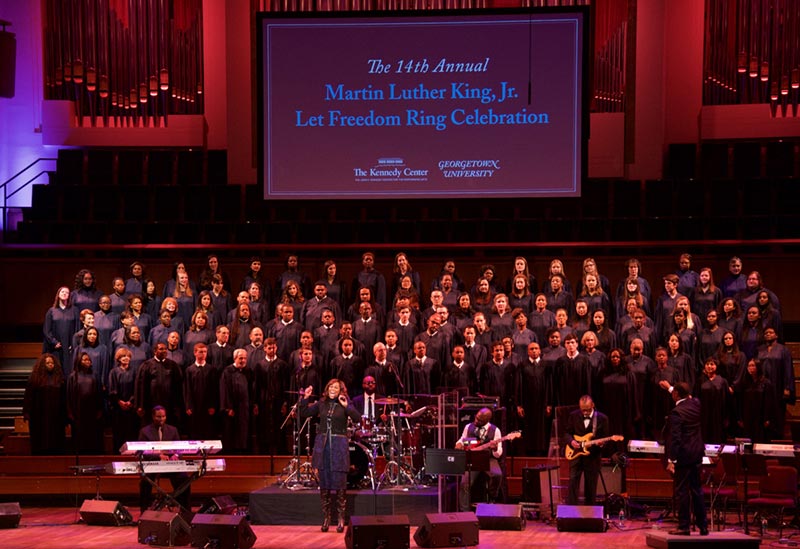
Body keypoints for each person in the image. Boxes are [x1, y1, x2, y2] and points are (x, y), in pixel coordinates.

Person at [300, 378, 361, 533]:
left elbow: (357, 418)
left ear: (341, 390)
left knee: (340, 484)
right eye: (331, 387)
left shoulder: (345, 404)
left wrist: (347, 406)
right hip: (323, 445)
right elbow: (304, 413)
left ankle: (341, 518)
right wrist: (305, 397)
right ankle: (326, 518)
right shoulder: (321, 404)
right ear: (327, 389)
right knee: (324, 484)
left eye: (336, 387)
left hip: (339, 446)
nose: (333, 389)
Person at [665, 382, 708, 536]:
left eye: (673, 392)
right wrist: (672, 388)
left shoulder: (676, 412)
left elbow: (675, 439)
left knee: (682, 492)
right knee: (697, 490)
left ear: (676, 394)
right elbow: (690, 397)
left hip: (683, 456)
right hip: (697, 454)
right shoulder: (696, 405)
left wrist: (671, 460)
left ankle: (684, 526)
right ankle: (703, 526)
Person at [138, 405, 191, 513]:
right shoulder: (145, 431)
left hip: (170, 465)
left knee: (184, 478)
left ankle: (186, 511)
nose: (161, 419)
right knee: (145, 482)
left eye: (163, 416)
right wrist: (158, 456)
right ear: (153, 417)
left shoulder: (173, 430)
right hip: (152, 465)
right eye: (158, 417)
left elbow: (179, 449)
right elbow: (141, 452)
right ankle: (144, 511)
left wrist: (176, 456)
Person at [563, 395, 609, 505]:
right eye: (582, 410)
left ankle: (589, 514)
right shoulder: (573, 416)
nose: (585, 413)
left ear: (593, 405)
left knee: (590, 487)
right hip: (575, 455)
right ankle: (571, 512)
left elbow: (605, 437)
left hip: (592, 457)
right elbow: (567, 433)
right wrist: (572, 442)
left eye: (587, 410)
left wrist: (601, 444)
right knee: (573, 483)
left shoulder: (602, 418)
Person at [456, 407, 504, 511]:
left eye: (479, 420)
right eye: (476, 418)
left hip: (488, 458)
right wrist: (459, 443)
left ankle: (492, 498)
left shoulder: (495, 430)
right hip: (472, 459)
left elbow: (498, 453)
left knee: (497, 475)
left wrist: (495, 448)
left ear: (487, 420)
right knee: (464, 483)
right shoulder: (468, 427)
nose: (476, 421)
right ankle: (464, 511)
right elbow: (462, 439)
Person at [23, 353, 67, 455]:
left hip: (56, 414)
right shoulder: (34, 379)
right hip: (39, 415)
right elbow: (28, 396)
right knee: (40, 437)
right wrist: (27, 412)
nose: (50, 364)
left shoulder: (60, 379)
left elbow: (64, 398)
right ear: (43, 364)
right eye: (47, 363)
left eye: (52, 363)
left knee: (56, 437)